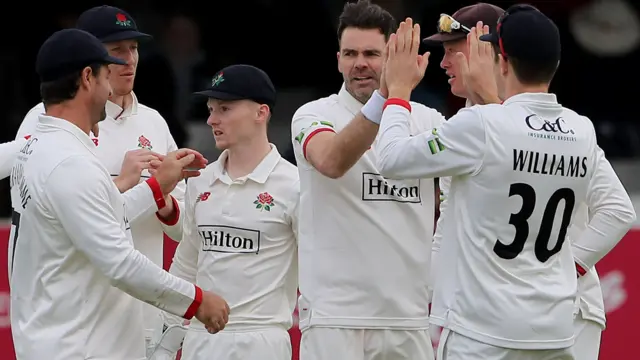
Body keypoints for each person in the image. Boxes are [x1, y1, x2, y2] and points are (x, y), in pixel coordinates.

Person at [375, 7, 636, 360]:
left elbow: (391, 159)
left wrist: (397, 91)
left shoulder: (482, 124)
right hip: (551, 321)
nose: (444, 62)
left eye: (454, 50)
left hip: (506, 326)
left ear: (498, 59)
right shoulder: (579, 128)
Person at [9, 28, 230, 360]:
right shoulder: (71, 162)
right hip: (79, 345)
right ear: (87, 78)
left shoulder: (35, 146)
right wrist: (197, 301)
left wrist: (156, 187)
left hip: (55, 336)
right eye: (104, 73)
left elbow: (101, 215)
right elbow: (120, 264)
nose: (111, 85)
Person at [290, 1, 444, 359]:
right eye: (350, 53)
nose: (360, 62)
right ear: (338, 59)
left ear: (393, 57)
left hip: (407, 318)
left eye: (372, 53)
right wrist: (387, 98)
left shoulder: (428, 121)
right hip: (334, 317)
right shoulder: (313, 114)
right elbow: (330, 161)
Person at [150, 65, 299, 360]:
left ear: (261, 113)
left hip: (262, 341)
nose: (211, 120)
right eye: (210, 109)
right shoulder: (200, 180)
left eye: (225, 109)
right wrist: (165, 343)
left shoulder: (294, 185)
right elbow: (187, 264)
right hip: (200, 339)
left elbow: (317, 274)